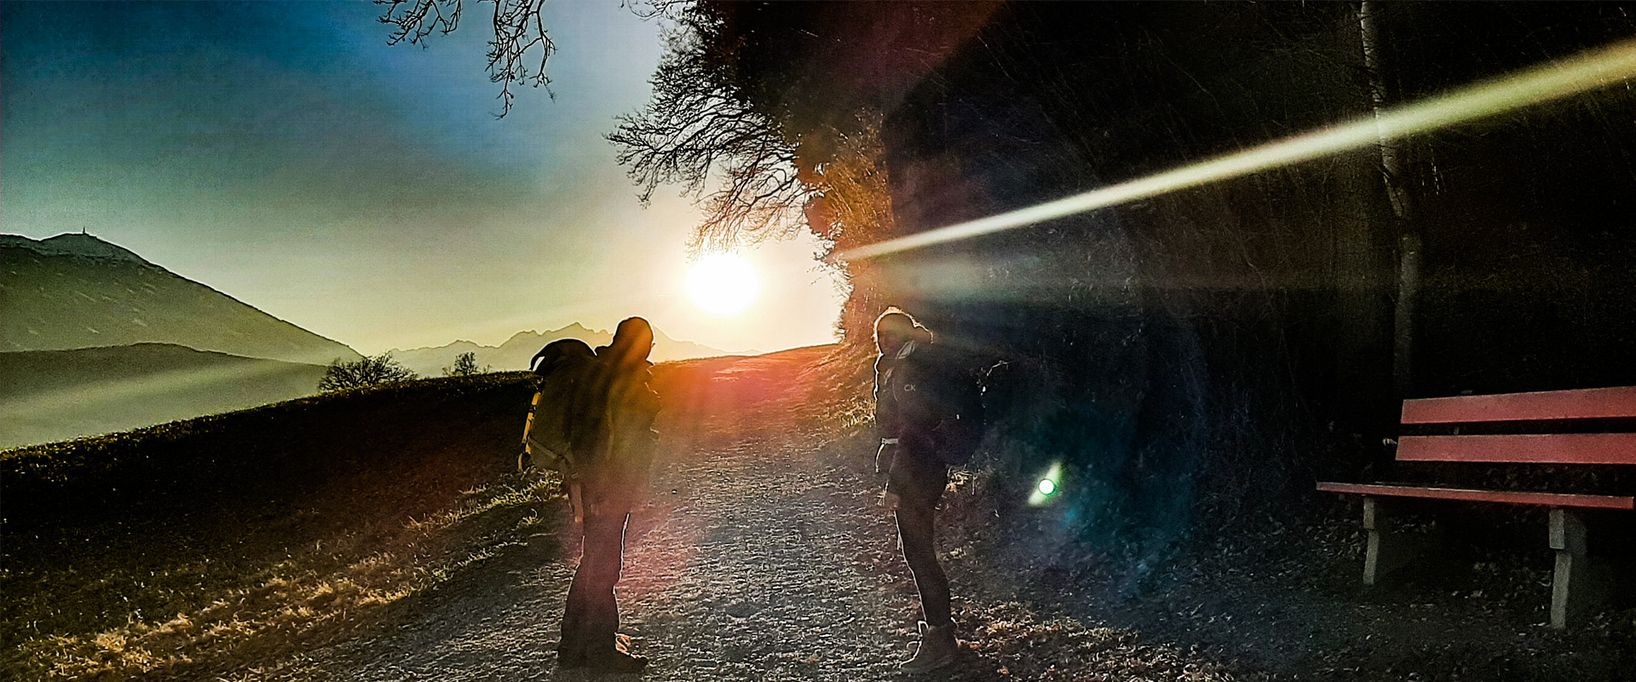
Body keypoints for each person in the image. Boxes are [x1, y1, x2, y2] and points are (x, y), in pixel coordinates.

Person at [556, 317, 662, 672]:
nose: (649, 350)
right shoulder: (612, 380)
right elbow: (600, 440)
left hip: (603, 487)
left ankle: (572, 648)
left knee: (593, 565)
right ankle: (600, 653)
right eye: (647, 343)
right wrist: (600, 490)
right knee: (603, 569)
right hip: (606, 488)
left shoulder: (608, 374)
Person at [873, 308, 961, 673]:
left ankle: (940, 640)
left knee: (920, 555)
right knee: (917, 552)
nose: (882, 340)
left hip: (917, 469)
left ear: (906, 334)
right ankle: (939, 632)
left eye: (890, 333)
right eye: (878, 335)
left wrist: (894, 483)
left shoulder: (913, 369)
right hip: (910, 466)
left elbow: (914, 429)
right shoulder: (891, 366)